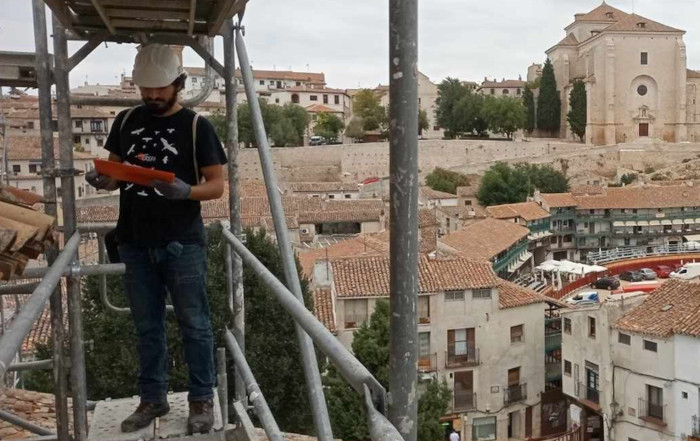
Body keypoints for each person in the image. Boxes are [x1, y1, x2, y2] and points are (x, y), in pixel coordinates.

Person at [86, 44, 227, 434]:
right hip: (134, 239)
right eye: (145, 90)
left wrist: (186, 192)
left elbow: (215, 186)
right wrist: (104, 177)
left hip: (182, 243)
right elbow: (117, 172)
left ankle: (201, 400)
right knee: (146, 327)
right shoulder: (127, 119)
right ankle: (152, 400)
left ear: (178, 85)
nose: (151, 97)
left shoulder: (198, 126)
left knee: (195, 325)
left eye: (159, 90)